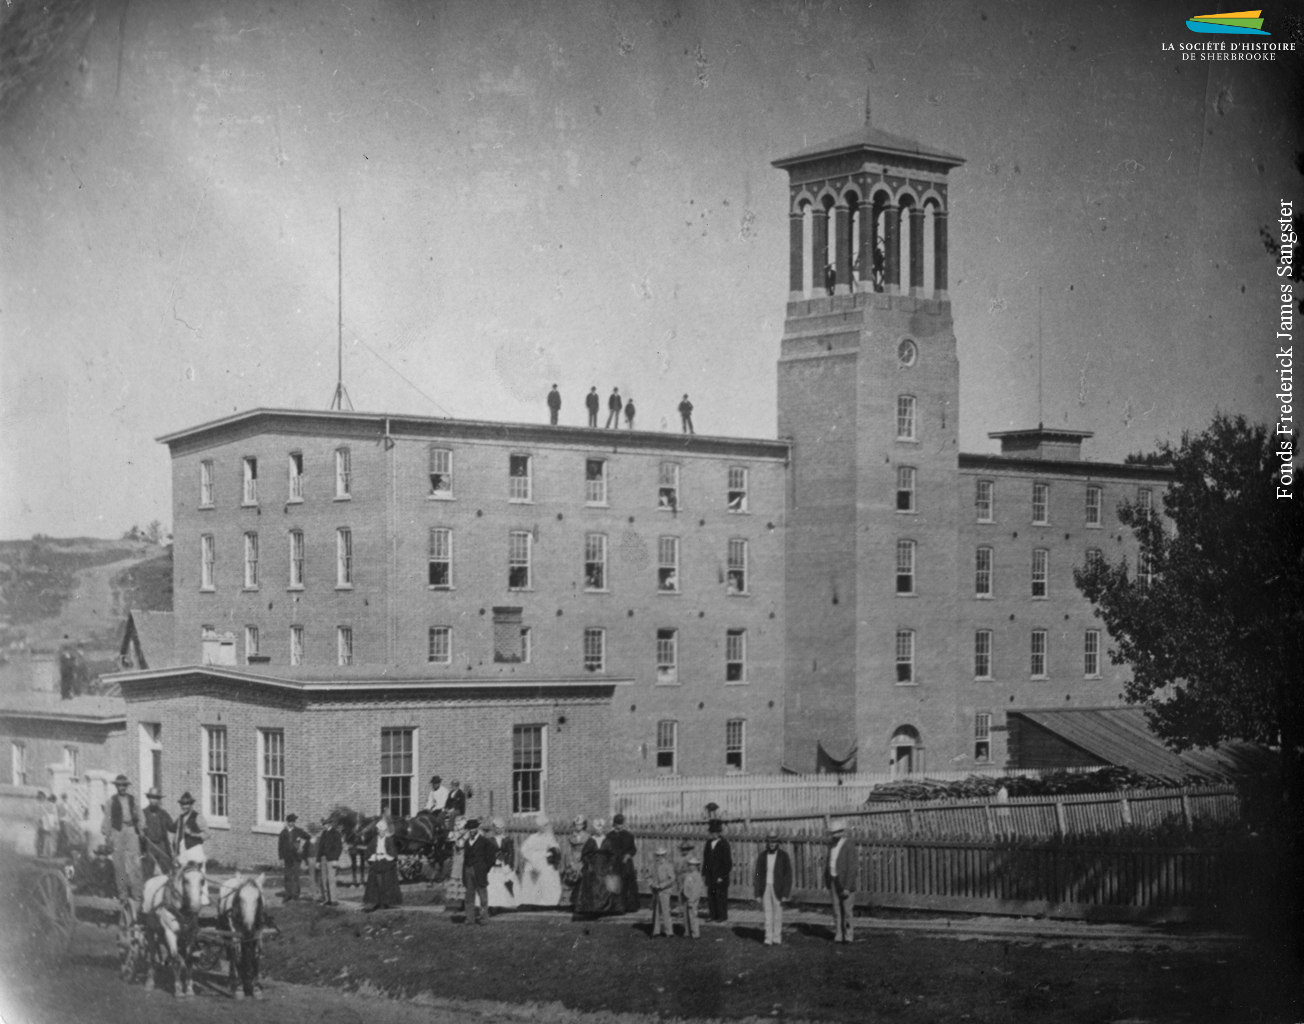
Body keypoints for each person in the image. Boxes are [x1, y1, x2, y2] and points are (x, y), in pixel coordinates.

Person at [101, 774, 143, 905]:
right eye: (119, 785)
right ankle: (123, 894)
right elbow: (107, 818)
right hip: (118, 831)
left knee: (135, 863)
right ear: (116, 787)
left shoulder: (133, 799)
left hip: (131, 830)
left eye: (124, 785)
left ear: (127, 786)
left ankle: (137, 894)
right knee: (119, 864)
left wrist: (141, 829)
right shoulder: (111, 801)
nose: (122, 787)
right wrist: (108, 836)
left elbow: (140, 815)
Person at [753, 829, 793, 946]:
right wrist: (757, 893)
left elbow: (788, 875)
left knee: (777, 914)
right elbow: (758, 875)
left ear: (778, 842)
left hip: (778, 888)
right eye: (770, 841)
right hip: (765, 888)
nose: (772, 844)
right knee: (767, 913)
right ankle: (768, 938)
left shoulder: (783, 856)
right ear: (767, 842)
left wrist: (786, 893)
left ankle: (777, 937)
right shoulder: (762, 856)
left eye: (774, 841)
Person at [572, 816, 618, 918]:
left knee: (604, 884)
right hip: (592, 866)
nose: (599, 831)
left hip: (604, 866)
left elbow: (613, 854)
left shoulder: (607, 840)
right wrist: (588, 863)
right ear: (594, 829)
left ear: (603, 829)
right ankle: (592, 909)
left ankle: (604, 909)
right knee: (591, 884)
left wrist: (610, 865)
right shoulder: (591, 840)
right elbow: (585, 854)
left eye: (600, 829)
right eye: (597, 829)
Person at [824, 818, 858, 943]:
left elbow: (852, 867)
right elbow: (829, 862)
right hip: (834, 879)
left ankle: (848, 936)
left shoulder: (848, 844)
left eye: (838, 832)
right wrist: (827, 880)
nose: (835, 835)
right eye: (833, 833)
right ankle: (838, 934)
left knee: (847, 910)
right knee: (837, 910)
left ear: (843, 832)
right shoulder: (831, 845)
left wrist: (847, 887)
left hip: (844, 882)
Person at [518, 815, 562, 907]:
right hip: (533, 862)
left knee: (547, 880)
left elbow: (555, 849)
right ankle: (531, 902)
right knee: (531, 882)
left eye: (544, 825)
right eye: (540, 826)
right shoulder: (533, 837)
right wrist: (531, 859)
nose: (542, 828)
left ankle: (547, 902)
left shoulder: (550, 837)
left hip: (545, 862)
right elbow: (524, 849)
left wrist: (550, 855)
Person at [363, 815, 402, 911]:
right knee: (375, 882)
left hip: (386, 862)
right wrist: (373, 856)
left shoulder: (388, 840)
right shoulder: (374, 840)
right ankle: (376, 902)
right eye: (380, 831)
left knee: (386, 883)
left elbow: (392, 852)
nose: (381, 832)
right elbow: (369, 850)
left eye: (383, 831)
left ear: (385, 831)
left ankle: (385, 902)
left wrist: (386, 855)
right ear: (378, 831)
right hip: (377, 861)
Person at [461, 819, 497, 924]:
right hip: (468, 870)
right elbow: (465, 858)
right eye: (470, 829)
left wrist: (486, 867)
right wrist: (465, 871)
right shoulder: (467, 842)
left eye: (473, 828)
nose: (472, 830)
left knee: (482, 896)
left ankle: (484, 918)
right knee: (469, 896)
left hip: (480, 871)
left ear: (477, 828)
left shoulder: (484, 841)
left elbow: (493, 854)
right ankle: (469, 918)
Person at [607, 813, 640, 913]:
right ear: (614, 824)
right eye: (617, 824)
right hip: (614, 863)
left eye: (621, 824)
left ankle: (629, 906)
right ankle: (616, 907)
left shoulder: (628, 835)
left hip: (625, 863)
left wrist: (628, 855)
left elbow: (633, 849)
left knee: (627, 884)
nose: (619, 826)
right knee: (615, 884)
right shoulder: (609, 836)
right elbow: (607, 850)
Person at [702, 817, 732, 922]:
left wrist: (722, 876)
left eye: (716, 832)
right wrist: (704, 873)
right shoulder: (708, 843)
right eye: (712, 832)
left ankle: (722, 916)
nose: (714, 834)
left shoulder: (724, 844)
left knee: (721, 895)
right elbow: (705, 859)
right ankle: (713, 915)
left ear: (719, 832)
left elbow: (727, 863)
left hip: (720, 875)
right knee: (711, 895)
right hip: (710, 875)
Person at [140, 787, 175, 877]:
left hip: (161, 845)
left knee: (167, 871)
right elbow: (138, 831)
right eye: (152, 798)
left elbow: (172, 827)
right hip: (149, 846)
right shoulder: (143, 813)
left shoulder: (163, 813)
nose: (154, 800)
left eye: (156, 798)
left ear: (159, 800)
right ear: (148, 798)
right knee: (147, 872)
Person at [486, 818, 518, 910]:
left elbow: (511, 852)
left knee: (503, 883)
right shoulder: (490, 840)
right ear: (494, 828)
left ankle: (502, 904)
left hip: (504, 864)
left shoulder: (507, 839)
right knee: (493, 885)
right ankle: (492, 905)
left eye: (501, 828)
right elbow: (487, 852)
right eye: (497, 828)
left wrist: (509, 864)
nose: (499, 830)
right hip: (493, 865)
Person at [278, 812, 310, 902]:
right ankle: (288, 894)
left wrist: (302, 848)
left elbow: (309, 838)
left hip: (296, 857)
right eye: (290, 821)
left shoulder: (298, 831)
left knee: (296, 876)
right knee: (287, 876)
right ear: (287, 822)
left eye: (293, 821)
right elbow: (280, 847)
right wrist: (281, 858)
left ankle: (296, 895)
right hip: (287, 857)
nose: (292, 823)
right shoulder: (283, 833)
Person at [648, 847, 675, 937]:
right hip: (656, 891)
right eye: (657, 855)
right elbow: (649, 877)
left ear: (664, 856)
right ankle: (656, 931)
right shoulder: (653, 865)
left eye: (661, 855)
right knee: (656, 911)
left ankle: (669, 932)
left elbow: (672, 879)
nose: (659, 857)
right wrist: (652, 884)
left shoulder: (668, 865)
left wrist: (662, 885)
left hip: (665, 891)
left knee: (665, 911)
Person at [317, 816, 344, 905]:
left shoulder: (335, 833)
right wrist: (318, 860)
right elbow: (320, 848)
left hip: (331, 859)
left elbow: (338, 848)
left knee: (331, 879)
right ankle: (326, 899)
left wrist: (336, 859)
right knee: (324, 879)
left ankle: (333, 900)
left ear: (329, 824)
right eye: (323, 824)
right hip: (323, 858)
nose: (324, 826)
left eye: (325, 824)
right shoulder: (324, 834)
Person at [678, 853, 705, 939]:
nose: (691, 867)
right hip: (687, 897)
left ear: (697, 866)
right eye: (690, 865)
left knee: (693, 915)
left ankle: (695, 934)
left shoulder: (697, 876)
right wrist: (684, 894)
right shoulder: (689, 875)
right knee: (686, 916)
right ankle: (687, 932)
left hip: (692, 898)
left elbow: (697, 890)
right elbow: (686, 886)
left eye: (693, 865)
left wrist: (692, 899)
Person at [36, 792, 57, 858]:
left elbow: (42, 816)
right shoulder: (52, 806)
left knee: (44, 839)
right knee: (48, 839)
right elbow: (53, 816)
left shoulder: (43, 805)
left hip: (44, 824)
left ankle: (42, 852)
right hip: (48, 824)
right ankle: (48, 853)